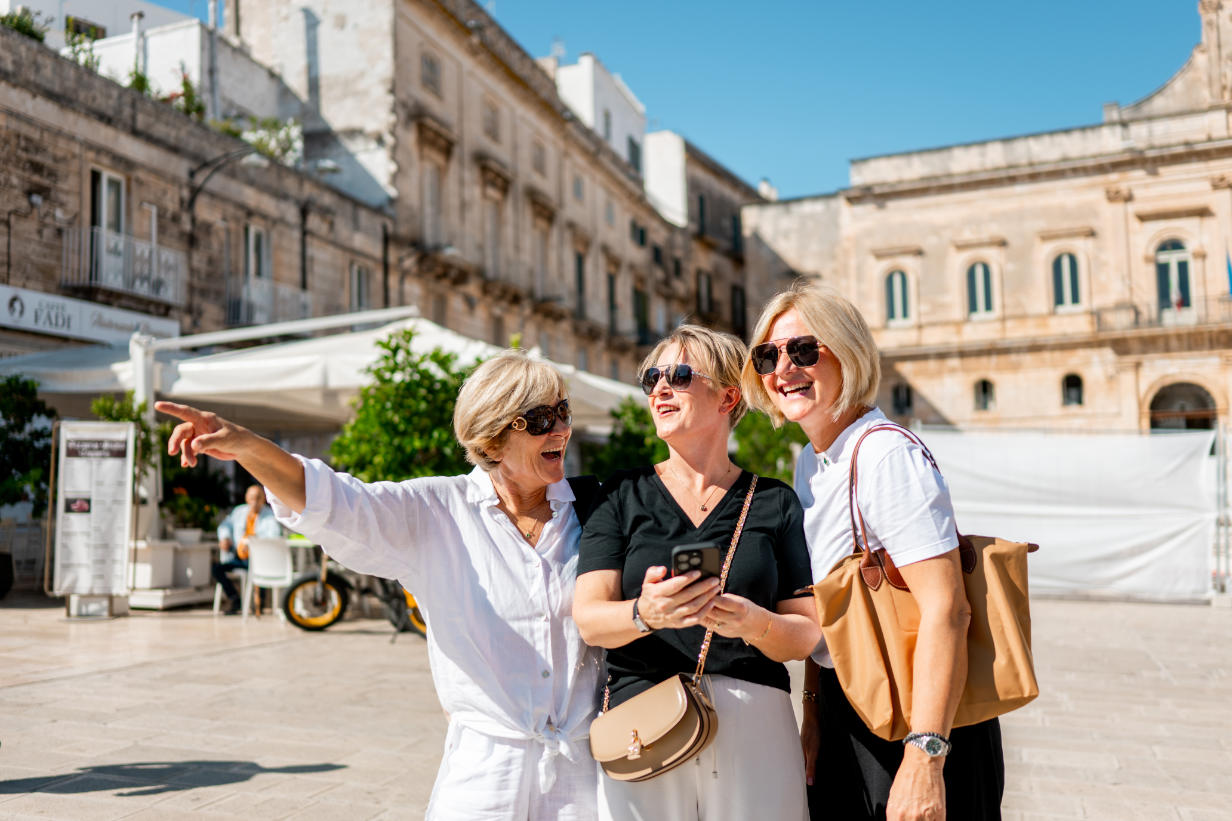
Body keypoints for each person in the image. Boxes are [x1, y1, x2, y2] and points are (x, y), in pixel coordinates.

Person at [157, 350, 604, 821]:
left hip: (584, 778)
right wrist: (248, 447)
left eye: (563, 413)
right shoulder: (437, 511)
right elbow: (339, 504)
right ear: (492, 438)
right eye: (539, 419)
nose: (560, 430)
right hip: (485, 776)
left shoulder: (596, 513)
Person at [741, 281, 1005, 821]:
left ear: (849, 351)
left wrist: (926, 756)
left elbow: (947, 608)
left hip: (914, 713)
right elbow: (830, 603)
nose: (783, 369)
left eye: (804, 350)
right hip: (853, 702)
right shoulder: (812, 461)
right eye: (768, 355)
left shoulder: (885, 453)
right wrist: (814, 715)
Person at [573, 325, 820, 821]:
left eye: (680, 375)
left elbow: (808, 633)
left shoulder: (774, 501)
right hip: (644, 722)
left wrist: (752, 622)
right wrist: (648, 613)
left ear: (729, 396)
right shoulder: (620, 494)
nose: (660, 388)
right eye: (652, 379)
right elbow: (590, 619)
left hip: (755, 725)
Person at [212, 483, 282, 615]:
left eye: (258, 498)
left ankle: (259, 603)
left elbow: (274, 534)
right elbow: (225, 526)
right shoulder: (239, 512)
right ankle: (235, 599)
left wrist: (254, 539)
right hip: (239, 557)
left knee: (258, 568)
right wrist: (225, 538)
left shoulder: (269, 515)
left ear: (263, 499)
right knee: (217, 569)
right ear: (246, 499)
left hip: (258, 558)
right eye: (252, 498)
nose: (254, 502)